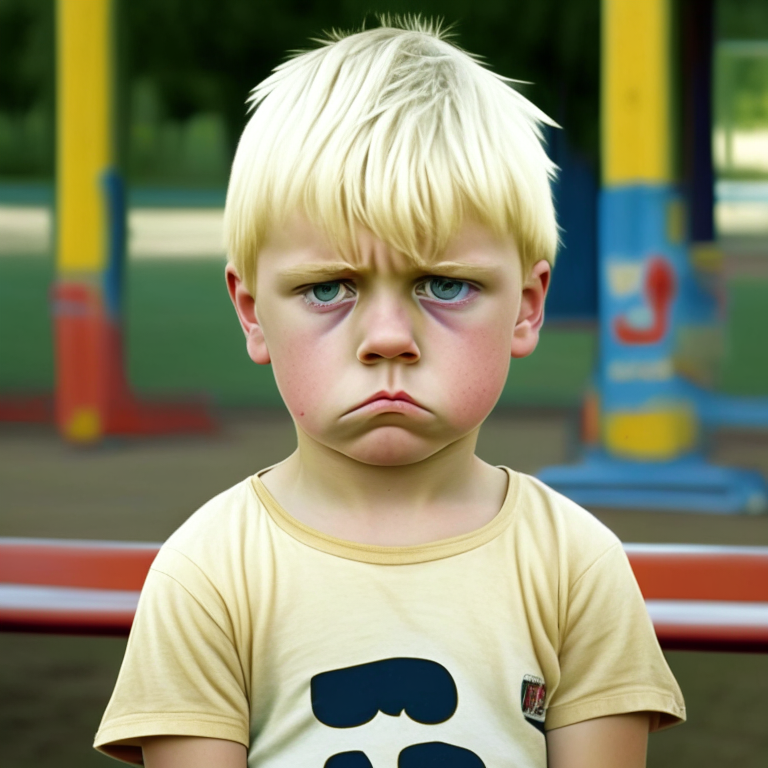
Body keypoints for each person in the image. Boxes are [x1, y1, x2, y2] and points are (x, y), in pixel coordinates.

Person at [94, 16, 685, 768]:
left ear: (528, 306)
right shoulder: (210, 573)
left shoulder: (574, 566)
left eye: (445, 284)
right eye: (328, 287)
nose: (387, 336)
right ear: (253, 313)